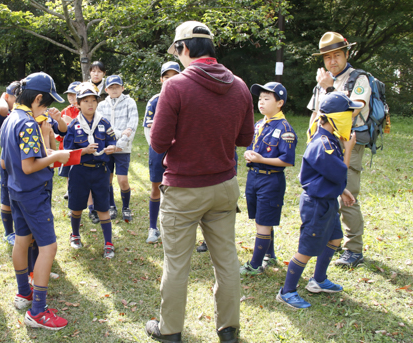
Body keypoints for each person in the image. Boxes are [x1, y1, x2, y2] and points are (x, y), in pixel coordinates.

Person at [145, 21, 254, 343]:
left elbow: (159, 142)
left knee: (177, 264)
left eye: (177, 51)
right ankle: (229, 329)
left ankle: (170, 331)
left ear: (185, 48)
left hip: (184, 189)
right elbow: (245, 138)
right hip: (223, 186)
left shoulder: (175, 87)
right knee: (227, 261)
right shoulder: (240, 86)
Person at [0, 72, 70, 330]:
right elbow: (29, 167)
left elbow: (9, 161)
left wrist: (45, 152)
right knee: (48, 248)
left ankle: (23, 293)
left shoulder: (10, 119)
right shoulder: (28, 123)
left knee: (21, 240)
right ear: (37, 98)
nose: (46, 107)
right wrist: (56, 156)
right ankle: (38, 311)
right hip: (33, 193)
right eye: (46, 101)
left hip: (15, 191)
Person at [276, 92, 359, 309]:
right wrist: (348, 150)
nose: (351, 118)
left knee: (334, 239)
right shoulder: (323, 144)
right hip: (316, 206)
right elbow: (339, 172)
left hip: (328, 200)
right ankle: (287, 291)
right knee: (306, 249)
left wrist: (341, 191)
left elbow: (328, 176)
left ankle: (318, 280)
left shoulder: (330, 138)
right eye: (348, 114)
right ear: (334, 118)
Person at [307, 32, 370, 268]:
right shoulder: (321, 82)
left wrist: (331, 88)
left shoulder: (359, 79)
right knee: (324, 193)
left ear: (347, 54)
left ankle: (354, 250)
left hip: (348, 144)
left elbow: (352, 111)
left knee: (347, 195)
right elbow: (315, 113)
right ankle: (332, 242)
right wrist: (311, 139)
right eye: (327, 57)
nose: (332, 61)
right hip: (323, 146)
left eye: (336, 55)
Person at [241, 82, 297, 275]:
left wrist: (262, 159)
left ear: (280, 103)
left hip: (270, 180)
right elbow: (252, 147)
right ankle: (269, 254)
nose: (261, 102)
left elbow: (287, 160)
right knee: (261, 217)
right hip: (254, 177)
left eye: (267, 99)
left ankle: (255, 265)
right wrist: (250, 155)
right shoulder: (258, 125)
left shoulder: (285, 129)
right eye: (260, 99)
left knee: (263, 222)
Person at [64, 82, 118, 258]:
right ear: (78, 104)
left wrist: (112, 148)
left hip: (100, 171)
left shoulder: (103, 122)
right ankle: (75, 235)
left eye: (93, 100)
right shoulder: (73, 125)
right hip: (80, 171)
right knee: (77, 206)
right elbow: (67, 152)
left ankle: (108, 243)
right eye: (85, 100)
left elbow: (112, 141)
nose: (90, 104)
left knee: (103, 206)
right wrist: (84, 151)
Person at [143, 61, 180, 243]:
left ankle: (174, 229)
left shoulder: (185, 98)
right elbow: (148, 129)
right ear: (161, 79)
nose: (169, 80)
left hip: (179, 152)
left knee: (178, 189)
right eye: (166, 77)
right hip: (158, 151)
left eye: (174, 77)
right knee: (156, 187)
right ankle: (153, 227)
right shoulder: (154, 101)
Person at [97, 75, 139, 222]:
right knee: (107, 179)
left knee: (122, 180)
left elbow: (132, 126)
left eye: (117, 87)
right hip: (107, 148)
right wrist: (120, 132)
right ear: (106, 89)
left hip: (123, 148)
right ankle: (111, 206)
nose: (114, 90)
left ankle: (126, 207)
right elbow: (101, 128)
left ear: (122, 88)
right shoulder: (101, 105)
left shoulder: (130, 102)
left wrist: (119, 144)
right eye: (111, 87)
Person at [0, 81, 20, 246]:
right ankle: (8, 232)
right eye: (14, 96)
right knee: (6, 199)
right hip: (7, 164)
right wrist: (4, 96)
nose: (18, 100)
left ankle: (21, 229)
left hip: (24, 163)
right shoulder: (2, 115)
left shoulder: (25, 113)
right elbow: (1, 108)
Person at [58, 81, 81, 200]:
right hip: (66, 145)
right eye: (69, 94)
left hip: (79, 146)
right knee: (67, 171)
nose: (71, 97)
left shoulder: (83, 110)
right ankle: (69, 189)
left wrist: (71, 121)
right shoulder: (65, 111)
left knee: (79, 171)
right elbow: (59, 133)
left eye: (74, 94)